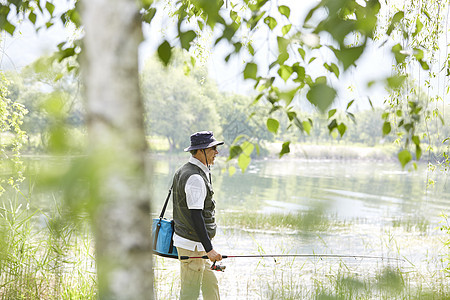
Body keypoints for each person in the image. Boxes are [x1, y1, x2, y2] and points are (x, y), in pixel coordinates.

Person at [172, 131, 224, 300]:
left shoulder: (189, 170)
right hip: (193, 247)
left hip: (197, 245)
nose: (216, 152)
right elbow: (196, 216)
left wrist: (206, 249)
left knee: (211, 287)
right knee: (189, 294)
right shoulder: (194, 177)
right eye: (213, 148)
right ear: (201, 150)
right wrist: (210, 250)